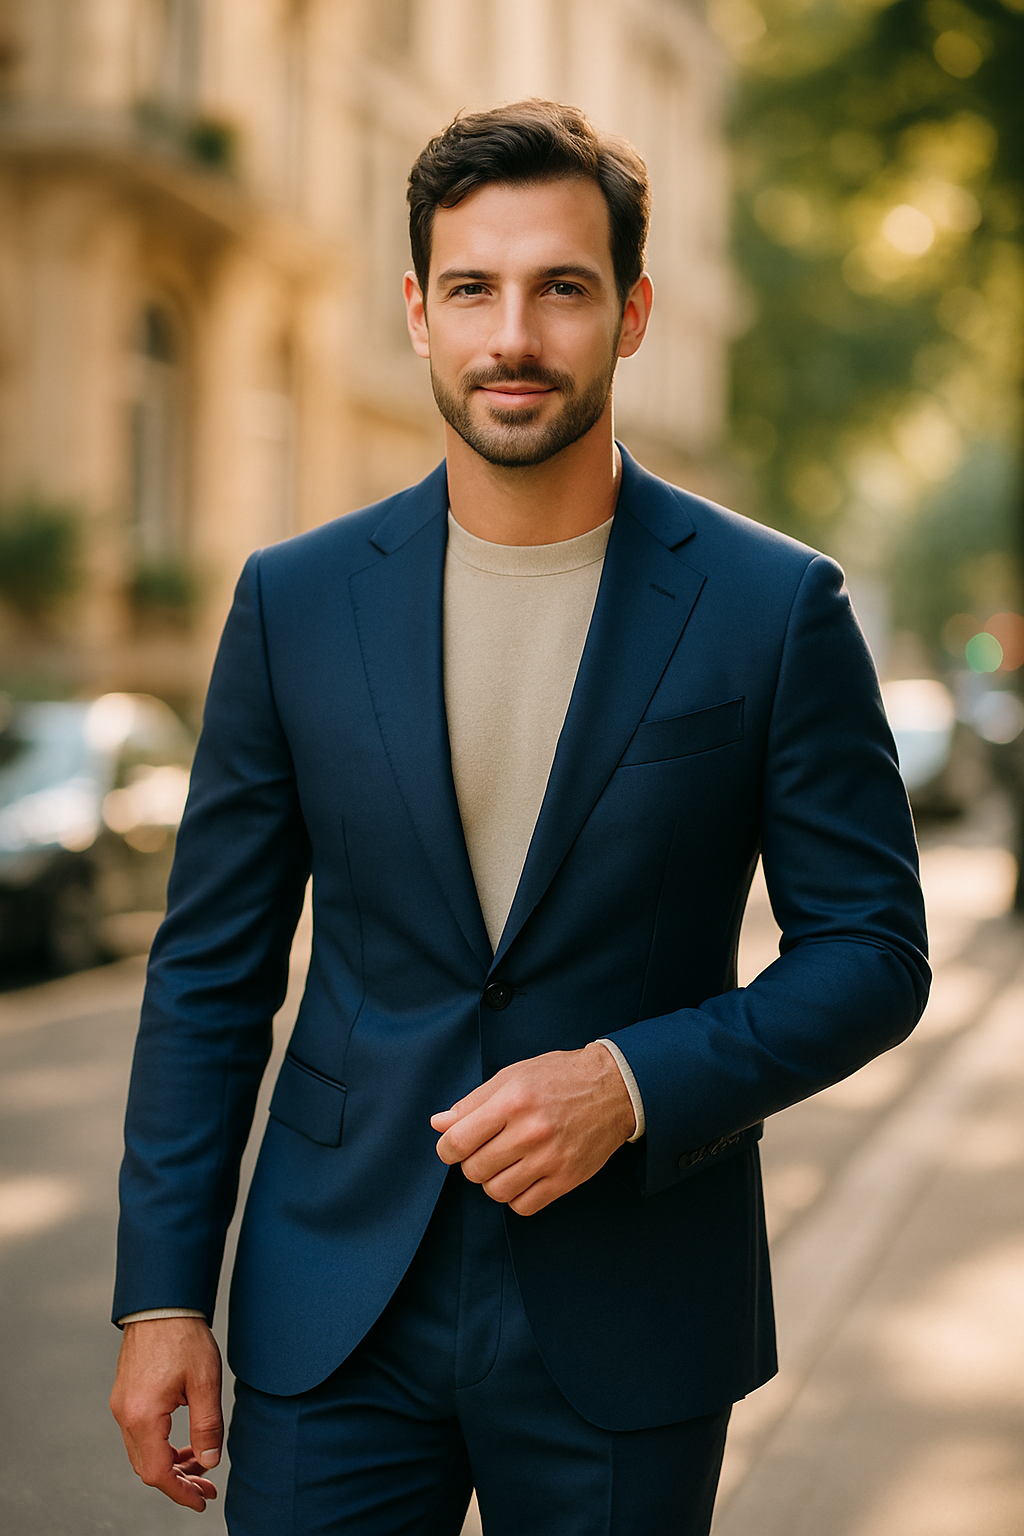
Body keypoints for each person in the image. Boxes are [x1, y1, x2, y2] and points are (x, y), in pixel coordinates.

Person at [110, 100, 929, 1536]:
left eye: (562, 287)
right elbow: (208, 973)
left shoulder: (774, 607)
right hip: (333, 1303)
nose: (514, 336)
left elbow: (871, 952)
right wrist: (162, 1293)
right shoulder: (293, 604)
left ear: (633, 312)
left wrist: (629, 1081)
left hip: (632, 1305)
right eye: (473, 289)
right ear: (417, 312)